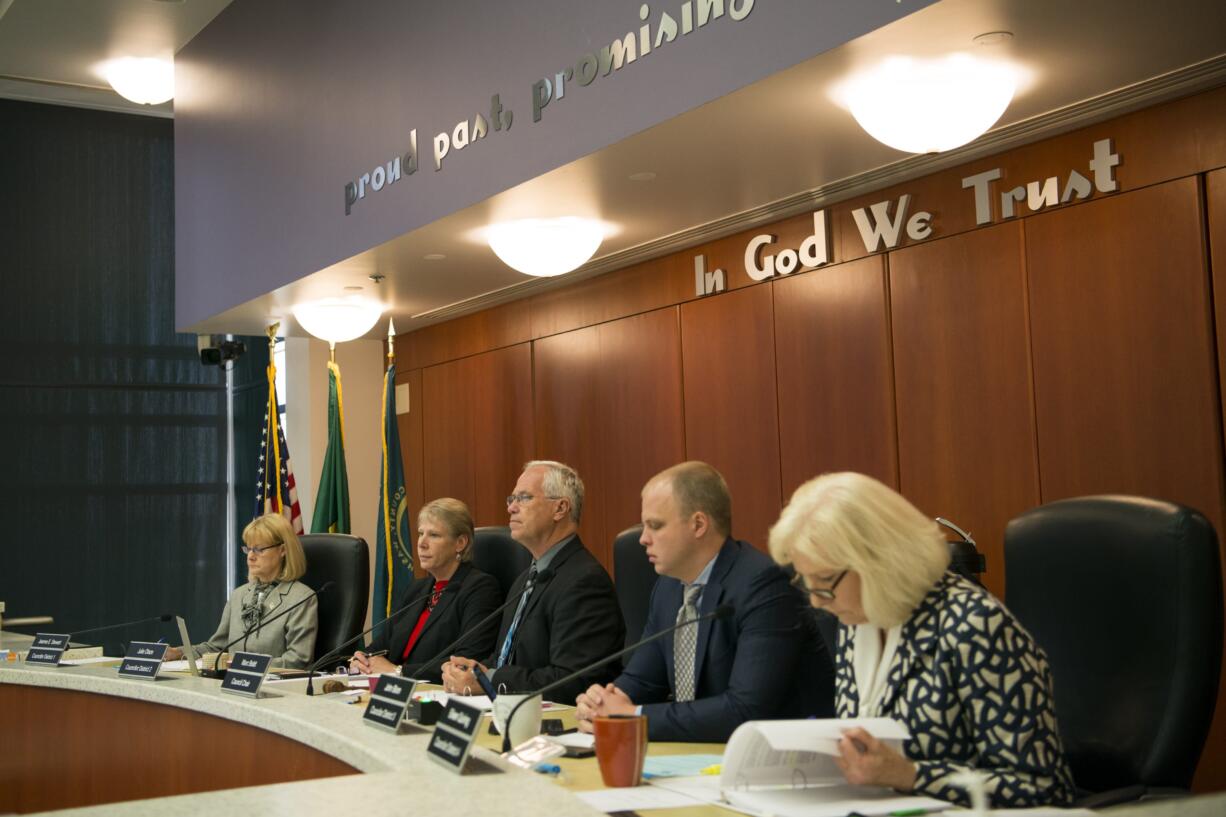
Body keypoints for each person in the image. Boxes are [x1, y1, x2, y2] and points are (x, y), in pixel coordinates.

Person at [768, 472, 1075, 809]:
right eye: (806, 582)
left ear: (877, 561)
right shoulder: (858, 621)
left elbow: (1043, 787)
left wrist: (910, 775)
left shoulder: (974, 625)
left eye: (825, 581)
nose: (816, 601)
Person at [575, 462, 835, 742]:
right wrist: (604, 702)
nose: (643, 539)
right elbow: (643, 679)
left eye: (655, 526)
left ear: (698, 524)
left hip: (784, 760)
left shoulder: (763, 586)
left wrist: (633, 717)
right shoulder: (668, 587)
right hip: (704, 758)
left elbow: (744, 709)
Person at [441, 460, 625, 703]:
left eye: (524, 498)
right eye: (511, 499)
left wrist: (491, 680)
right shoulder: (525, 580)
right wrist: (470, 671)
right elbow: (505, 658)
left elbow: (573, 681)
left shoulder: (584, 581)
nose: (511, 508)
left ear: (560, 508)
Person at [349, 498, 502, 683]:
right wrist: (361, 661)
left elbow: (467, 660)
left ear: (460, 543)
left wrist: (398, 671)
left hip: (438, 694)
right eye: (421, 533)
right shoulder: (417, 589)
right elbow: (380, 646)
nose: (422, 543)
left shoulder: (480, 589)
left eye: (434, 535)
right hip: (394, 691)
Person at [166, 513, 318, 669]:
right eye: (249, 549)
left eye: (259, 549)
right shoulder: (239, 595)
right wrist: (178, 653)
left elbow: (298, 660)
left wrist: (244, 665)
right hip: (232, 684)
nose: (250, 556)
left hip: (272, 688)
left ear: (283, 550)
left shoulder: (301, 598)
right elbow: (218, 647)